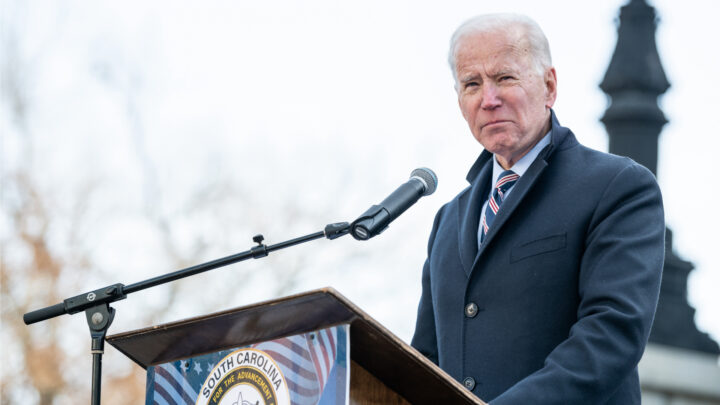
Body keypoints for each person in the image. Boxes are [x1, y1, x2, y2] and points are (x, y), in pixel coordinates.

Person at [411, 13, 664, 404]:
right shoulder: (449, 219)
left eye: (505, 78)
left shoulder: (618, 188)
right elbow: (424, 361)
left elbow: (610, 337)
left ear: (549, 86)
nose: (488, 99)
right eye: (472, 84)